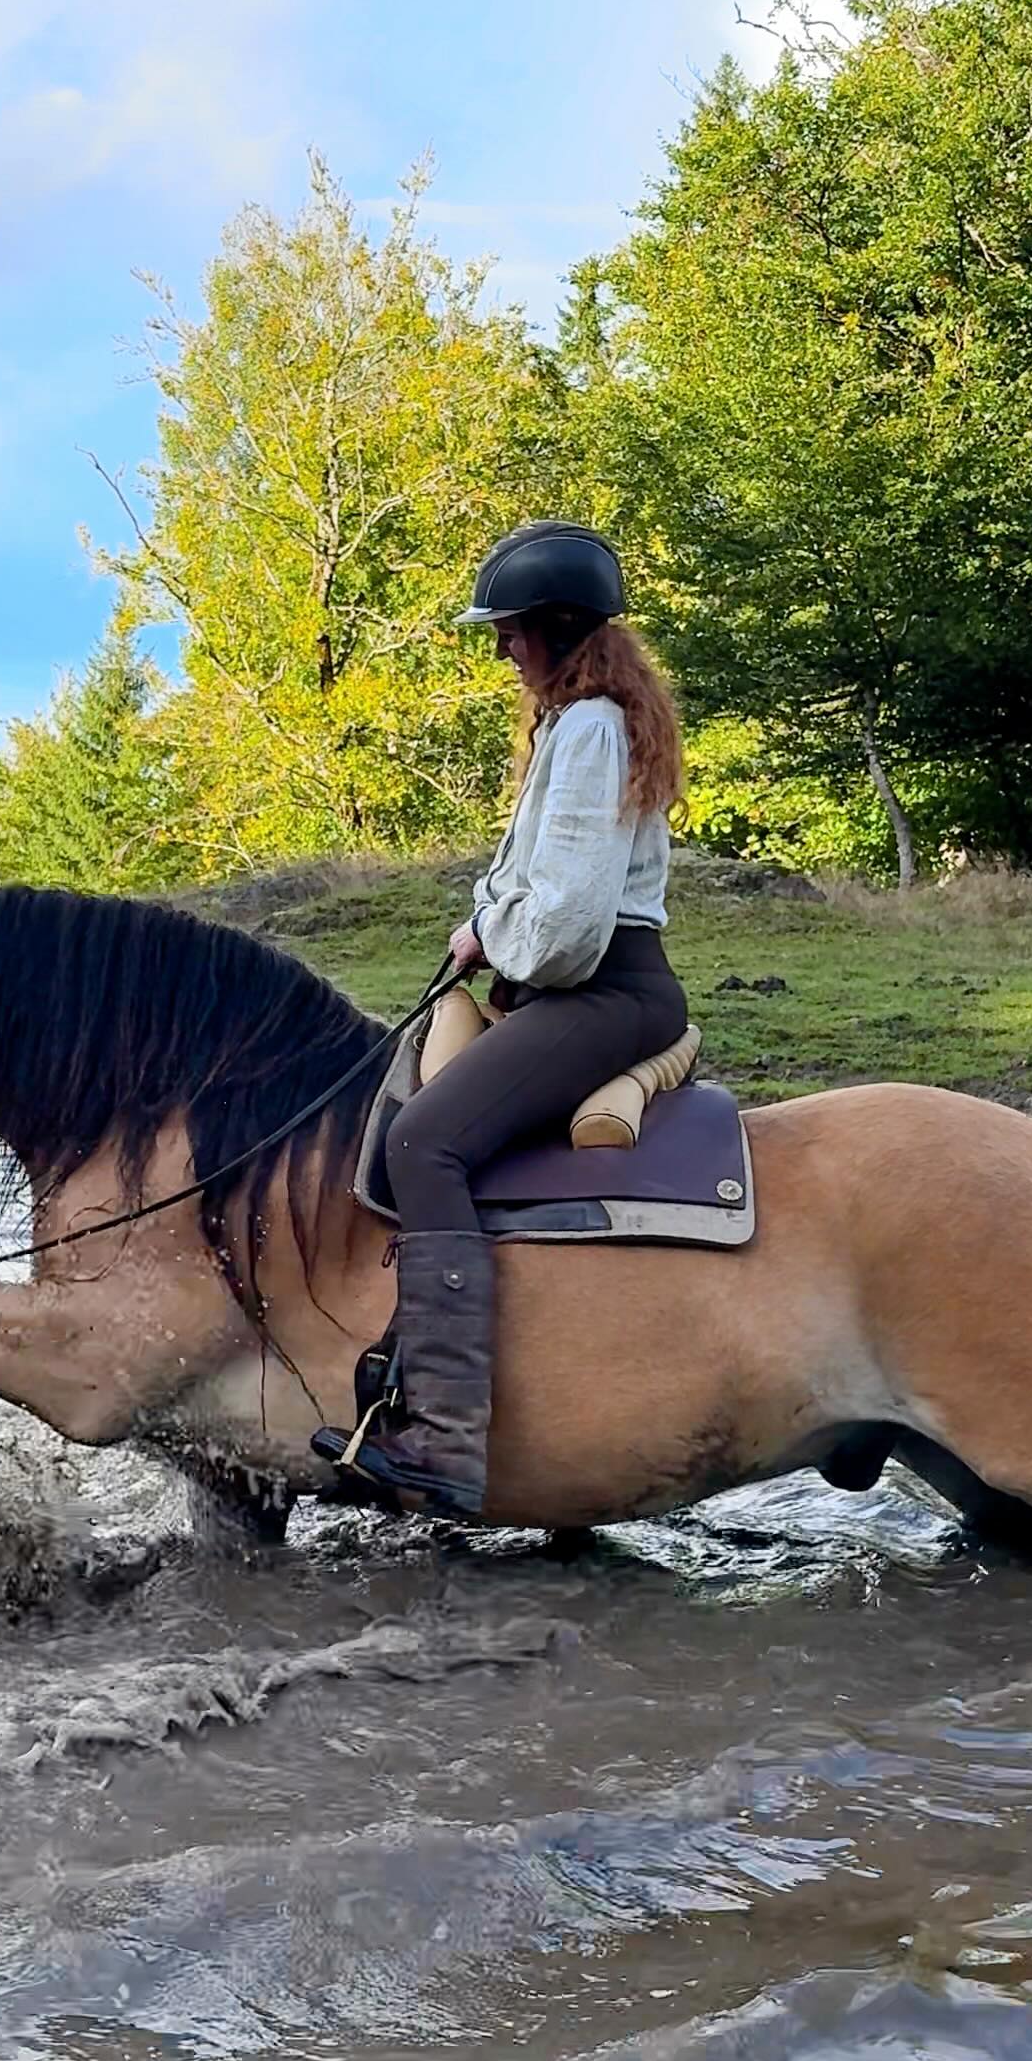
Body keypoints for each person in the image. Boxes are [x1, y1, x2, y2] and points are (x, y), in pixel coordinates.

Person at [313, 520, 690, 1518]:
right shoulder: (577, 726)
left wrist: (495, 937)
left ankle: (443, 1438)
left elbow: (565, 925)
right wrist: (485, 924)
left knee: (425, 1142)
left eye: (513, 631)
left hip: (605, 991)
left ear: (560, 630)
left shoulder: (593, 730)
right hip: (567, 985)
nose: (501, 649)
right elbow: (528, 884)